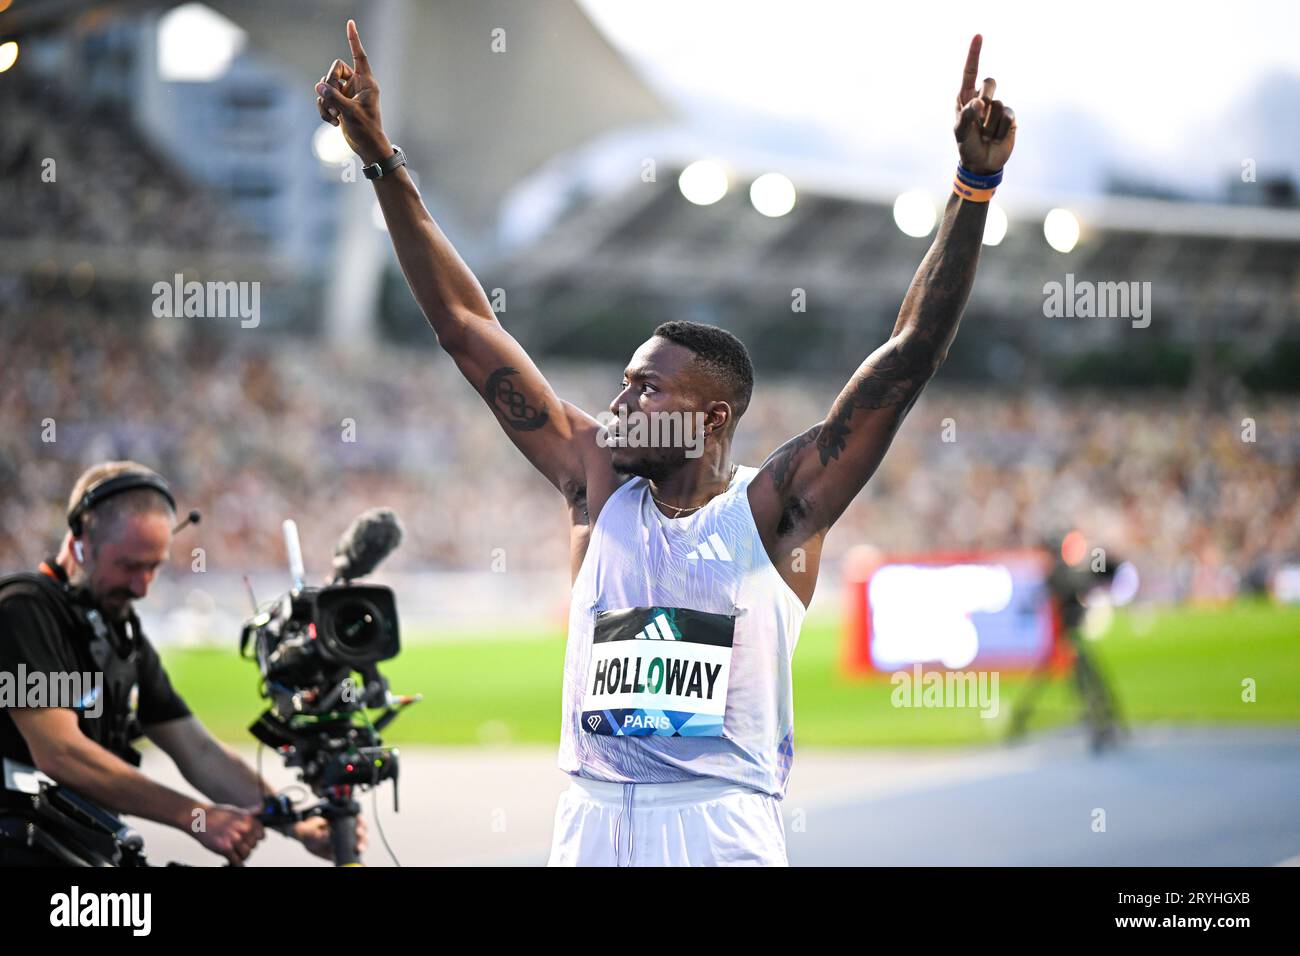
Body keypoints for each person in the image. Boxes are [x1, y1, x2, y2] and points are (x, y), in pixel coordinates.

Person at [316, 22, 1015, 865]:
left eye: (646, 388)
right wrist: (380, 157)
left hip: (715, 822)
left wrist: (973, 187)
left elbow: (906, 361)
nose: (618, 400)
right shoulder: (596, 481)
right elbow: (466, 327)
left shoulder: (775, 510)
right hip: (589, 816)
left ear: (711, 421)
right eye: (623, 379)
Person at [0, 461, 366, 865]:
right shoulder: (24, 612)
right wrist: (195, 817)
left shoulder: (120, 631)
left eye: (154, 567)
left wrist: (294, 823)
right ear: (80, 542)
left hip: (77, 849)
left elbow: (198, 751)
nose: (142, 587)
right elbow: (60, 753)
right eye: (129, 566)